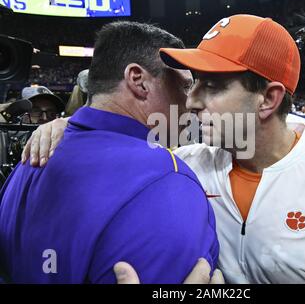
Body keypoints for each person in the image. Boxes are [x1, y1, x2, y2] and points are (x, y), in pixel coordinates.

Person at [22, 15, 305, 284]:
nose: (190, 101)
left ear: (268, 98)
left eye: (211, 85)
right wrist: (71, 125)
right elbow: (113, 135)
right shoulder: (185, 167)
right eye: (193, 83)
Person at [0, 21, 219, 283]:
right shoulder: (167, 178)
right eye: (184, 86)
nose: (193, 102)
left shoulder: (27, 164)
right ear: (138, 80)